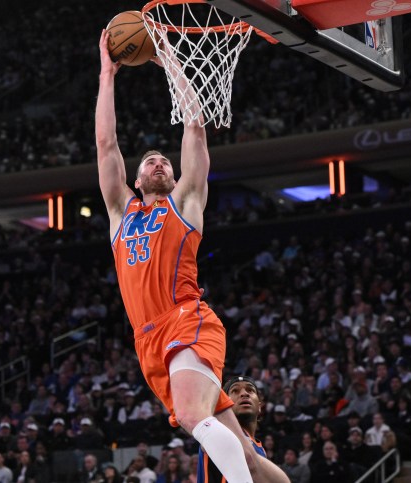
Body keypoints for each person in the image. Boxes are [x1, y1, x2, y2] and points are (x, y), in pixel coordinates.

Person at [96, 29, 287, 483]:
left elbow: (194, 126)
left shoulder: (184, 203)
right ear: (136, 179)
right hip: (149, 341)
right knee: (248, 455)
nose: (159, 163)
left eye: (165, 160)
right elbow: (106, 146)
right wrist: (107, 75)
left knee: (189, 415)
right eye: (149, 161)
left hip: (185, 319)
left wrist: (171, 65)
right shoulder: (120, 213)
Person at [197, 376, 269, 482]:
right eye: (235, 391)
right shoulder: (219, 432)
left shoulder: (260, 449)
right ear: (224, 405)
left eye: (250, 390)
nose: (244, 393)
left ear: (259, 406)